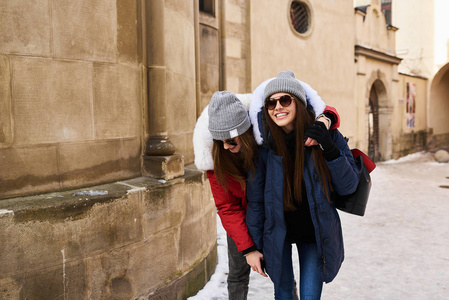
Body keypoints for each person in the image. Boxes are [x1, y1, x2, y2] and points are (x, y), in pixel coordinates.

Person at [193, 83, 340, 299]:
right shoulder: (215, 161)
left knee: (284, 279)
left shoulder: (262, 129)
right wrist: (248, 249)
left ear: (245, 133)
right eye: (219, 142)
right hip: (240, 221)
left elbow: (307, 99)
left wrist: (327, 117)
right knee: (237, 274)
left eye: (231, 141)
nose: (225, 147)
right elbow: (227, 207)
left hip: (272, 214)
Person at [245, 70, 360, 300]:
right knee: (284, 293)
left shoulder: (325, 135)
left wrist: (329, 148)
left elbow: (349, 185)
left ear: (297, 102)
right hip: (278, 234)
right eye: (271, 103)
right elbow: (256, 200)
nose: (278, 107)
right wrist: (252, 247)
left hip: (314, 232)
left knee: (309, 296)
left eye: (284, 99)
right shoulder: (265, 146)